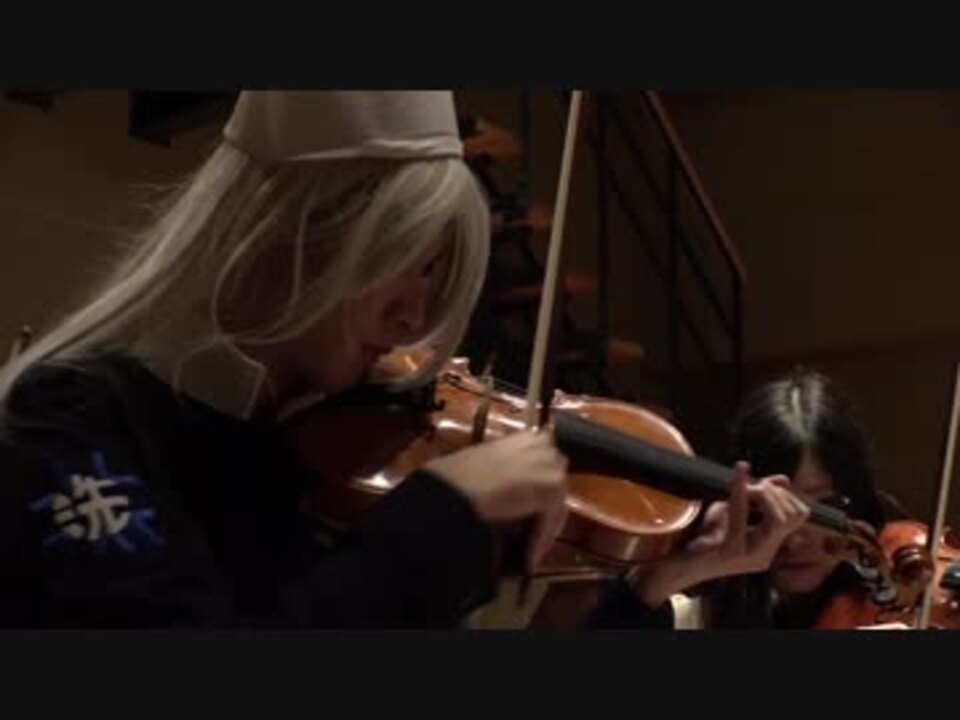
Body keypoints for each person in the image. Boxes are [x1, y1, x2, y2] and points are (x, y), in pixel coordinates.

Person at [0, 90, 803, 628]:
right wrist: (440, 521)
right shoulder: (68, 423)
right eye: (398, 262)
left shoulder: (326, 449)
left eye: (433, 277)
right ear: (284, 233)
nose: (416, 317)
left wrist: (653, 584)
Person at [585, 368, 888, 629]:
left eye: (825, 506)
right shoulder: (687, 618)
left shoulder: (894, 607)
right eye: (767, 507)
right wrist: (664, 575)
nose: (794, 538)